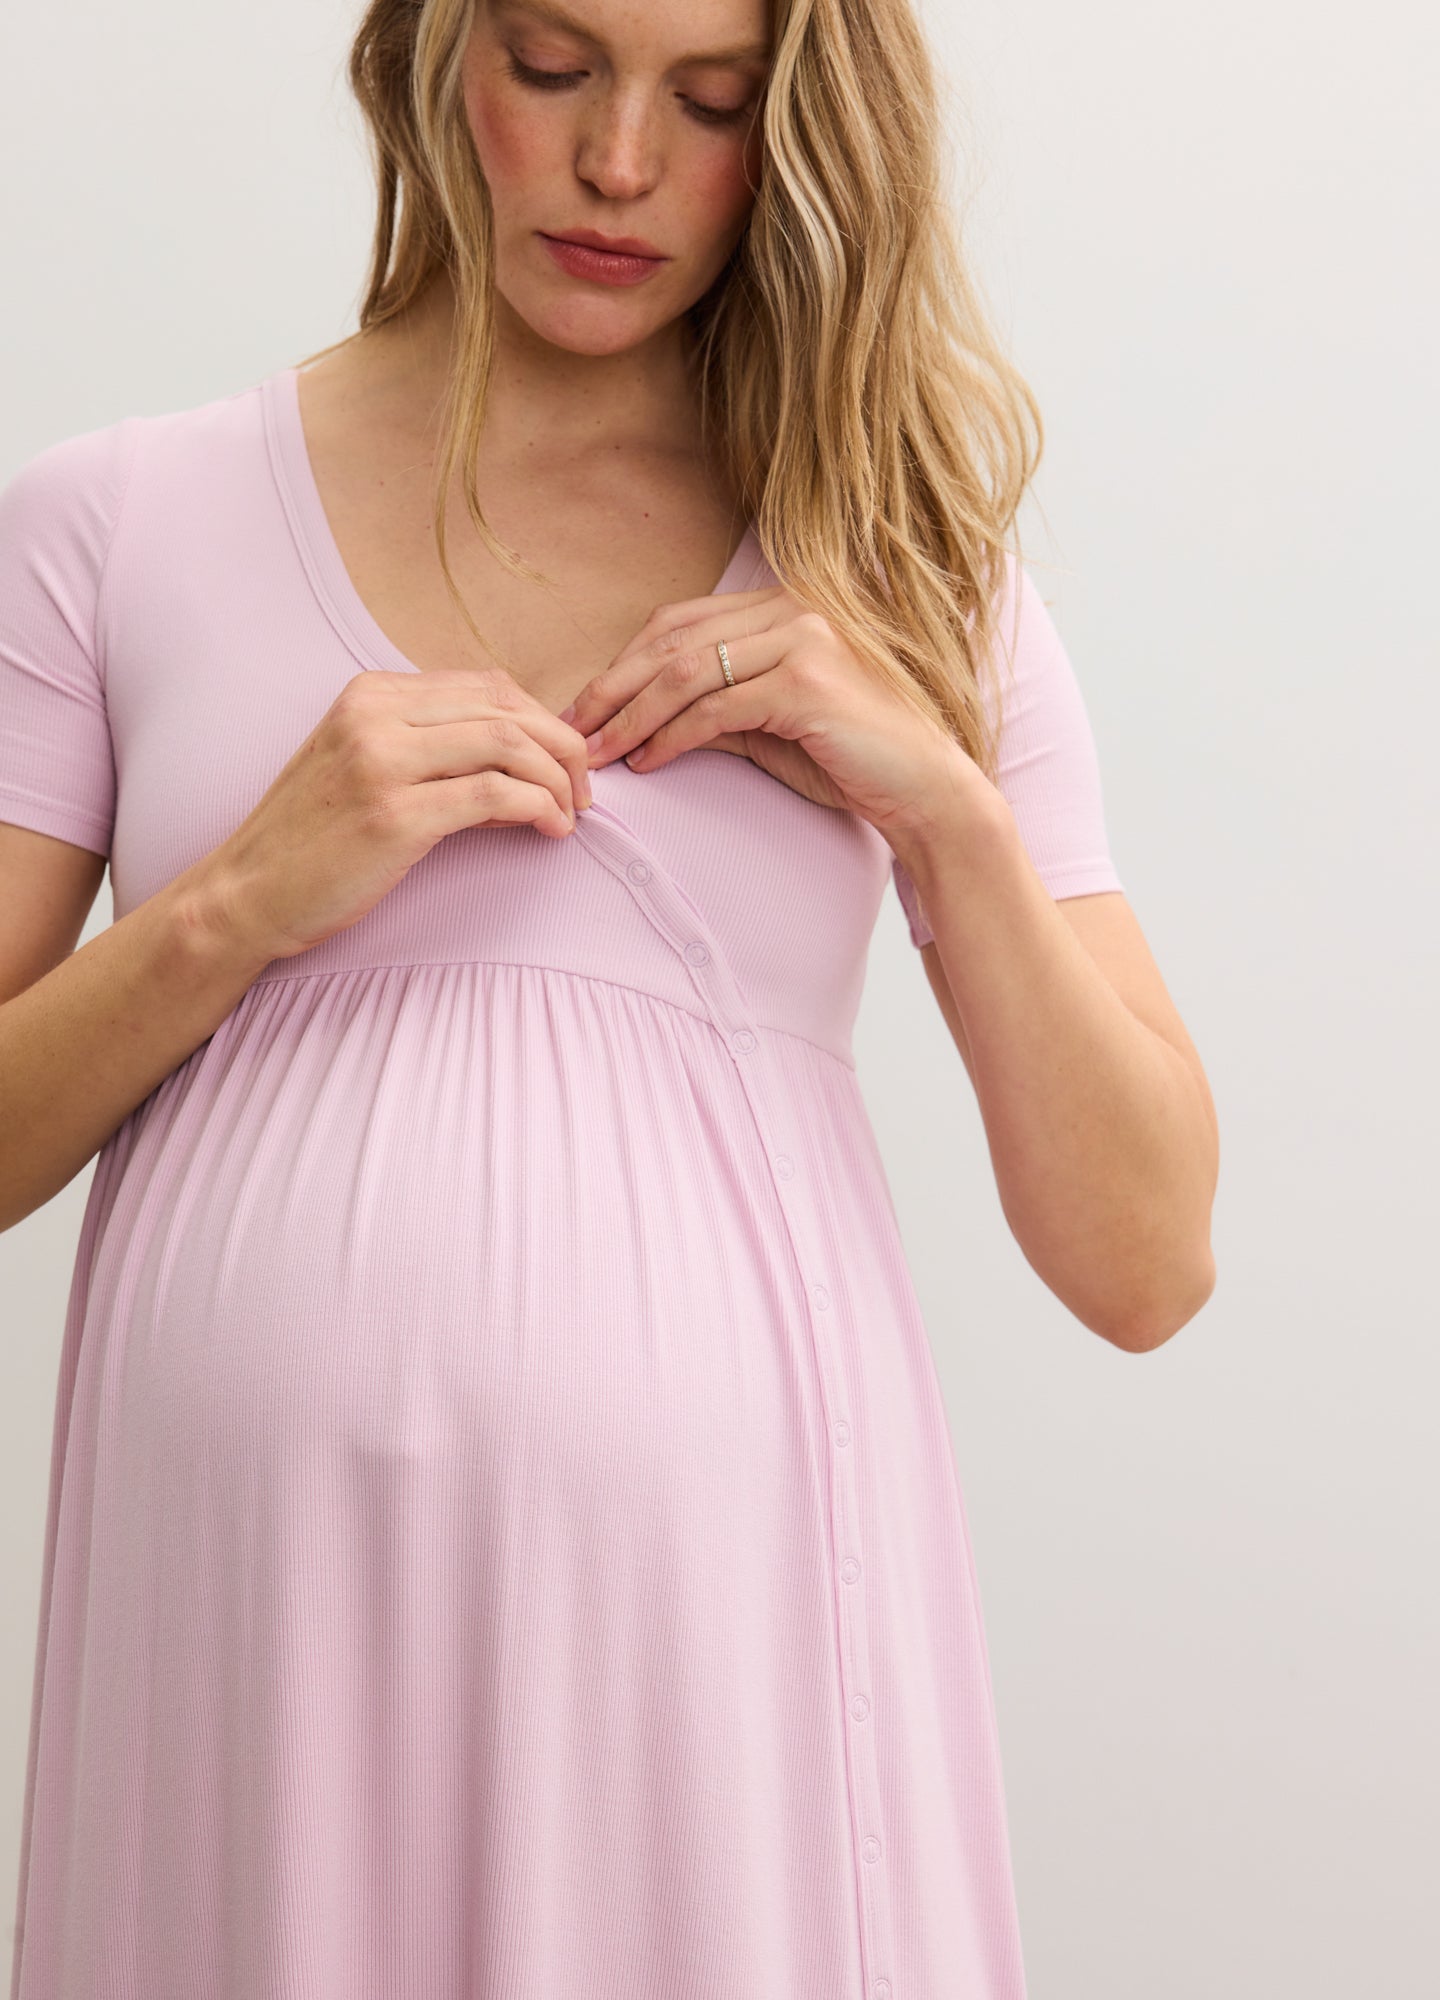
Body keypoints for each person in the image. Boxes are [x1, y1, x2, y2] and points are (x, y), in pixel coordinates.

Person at [0, 0, 1219, 1994]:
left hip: (723, 1663)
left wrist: (946, 813)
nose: (621, 164)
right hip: (256, 1650)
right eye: (555, 67)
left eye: (711, 103)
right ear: (435, 55)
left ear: (800, 135)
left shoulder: (904, 573)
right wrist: (230, 908)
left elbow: (1147, 1261)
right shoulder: (119, 519)